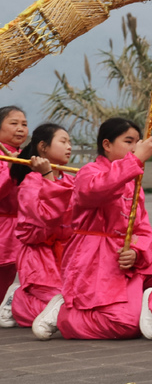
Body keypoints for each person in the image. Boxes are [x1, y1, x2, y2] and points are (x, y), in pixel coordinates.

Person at [32, 118, 152, 341]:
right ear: (107, 144)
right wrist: (135, 161)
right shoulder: (88, 173)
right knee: (124, 325)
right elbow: (96, 191)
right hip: (95, 258)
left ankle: (151, 301)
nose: (135, 147)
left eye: (137, 142)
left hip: (127, 259)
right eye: (129, 141)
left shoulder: (133, 180)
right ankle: (63, 313)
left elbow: (143, 229)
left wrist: (137, 251)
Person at [3, 123, 74, 328]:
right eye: (63, 141)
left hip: (66, 254)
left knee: (72, 299)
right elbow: (47, 217)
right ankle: (17, 300)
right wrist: (47, 176)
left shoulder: (70, 179)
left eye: (69, 142)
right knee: (57, 304)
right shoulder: (30, 183)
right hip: (39, 256)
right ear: (43, 147)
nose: (69, 146)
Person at [0, 105, 28, 303]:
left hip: (18, 230)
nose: (20, 128)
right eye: (14, 123)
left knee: (6, 283)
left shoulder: (27, 157)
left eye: (24, 124)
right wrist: (10, 169)